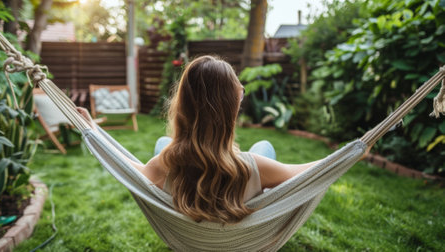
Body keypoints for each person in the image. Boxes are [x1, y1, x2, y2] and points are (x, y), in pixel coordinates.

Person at [77, 55, 322, 224]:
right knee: (264, 146)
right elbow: (309, 171)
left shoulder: (166, 164)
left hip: (186, 224)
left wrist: (94, 134)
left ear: (183, 105)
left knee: (164, 144)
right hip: (240, 208)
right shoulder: (255, 166)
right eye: (240, 93)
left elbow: (130, 169)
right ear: (231, 108)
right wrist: (349, 154)